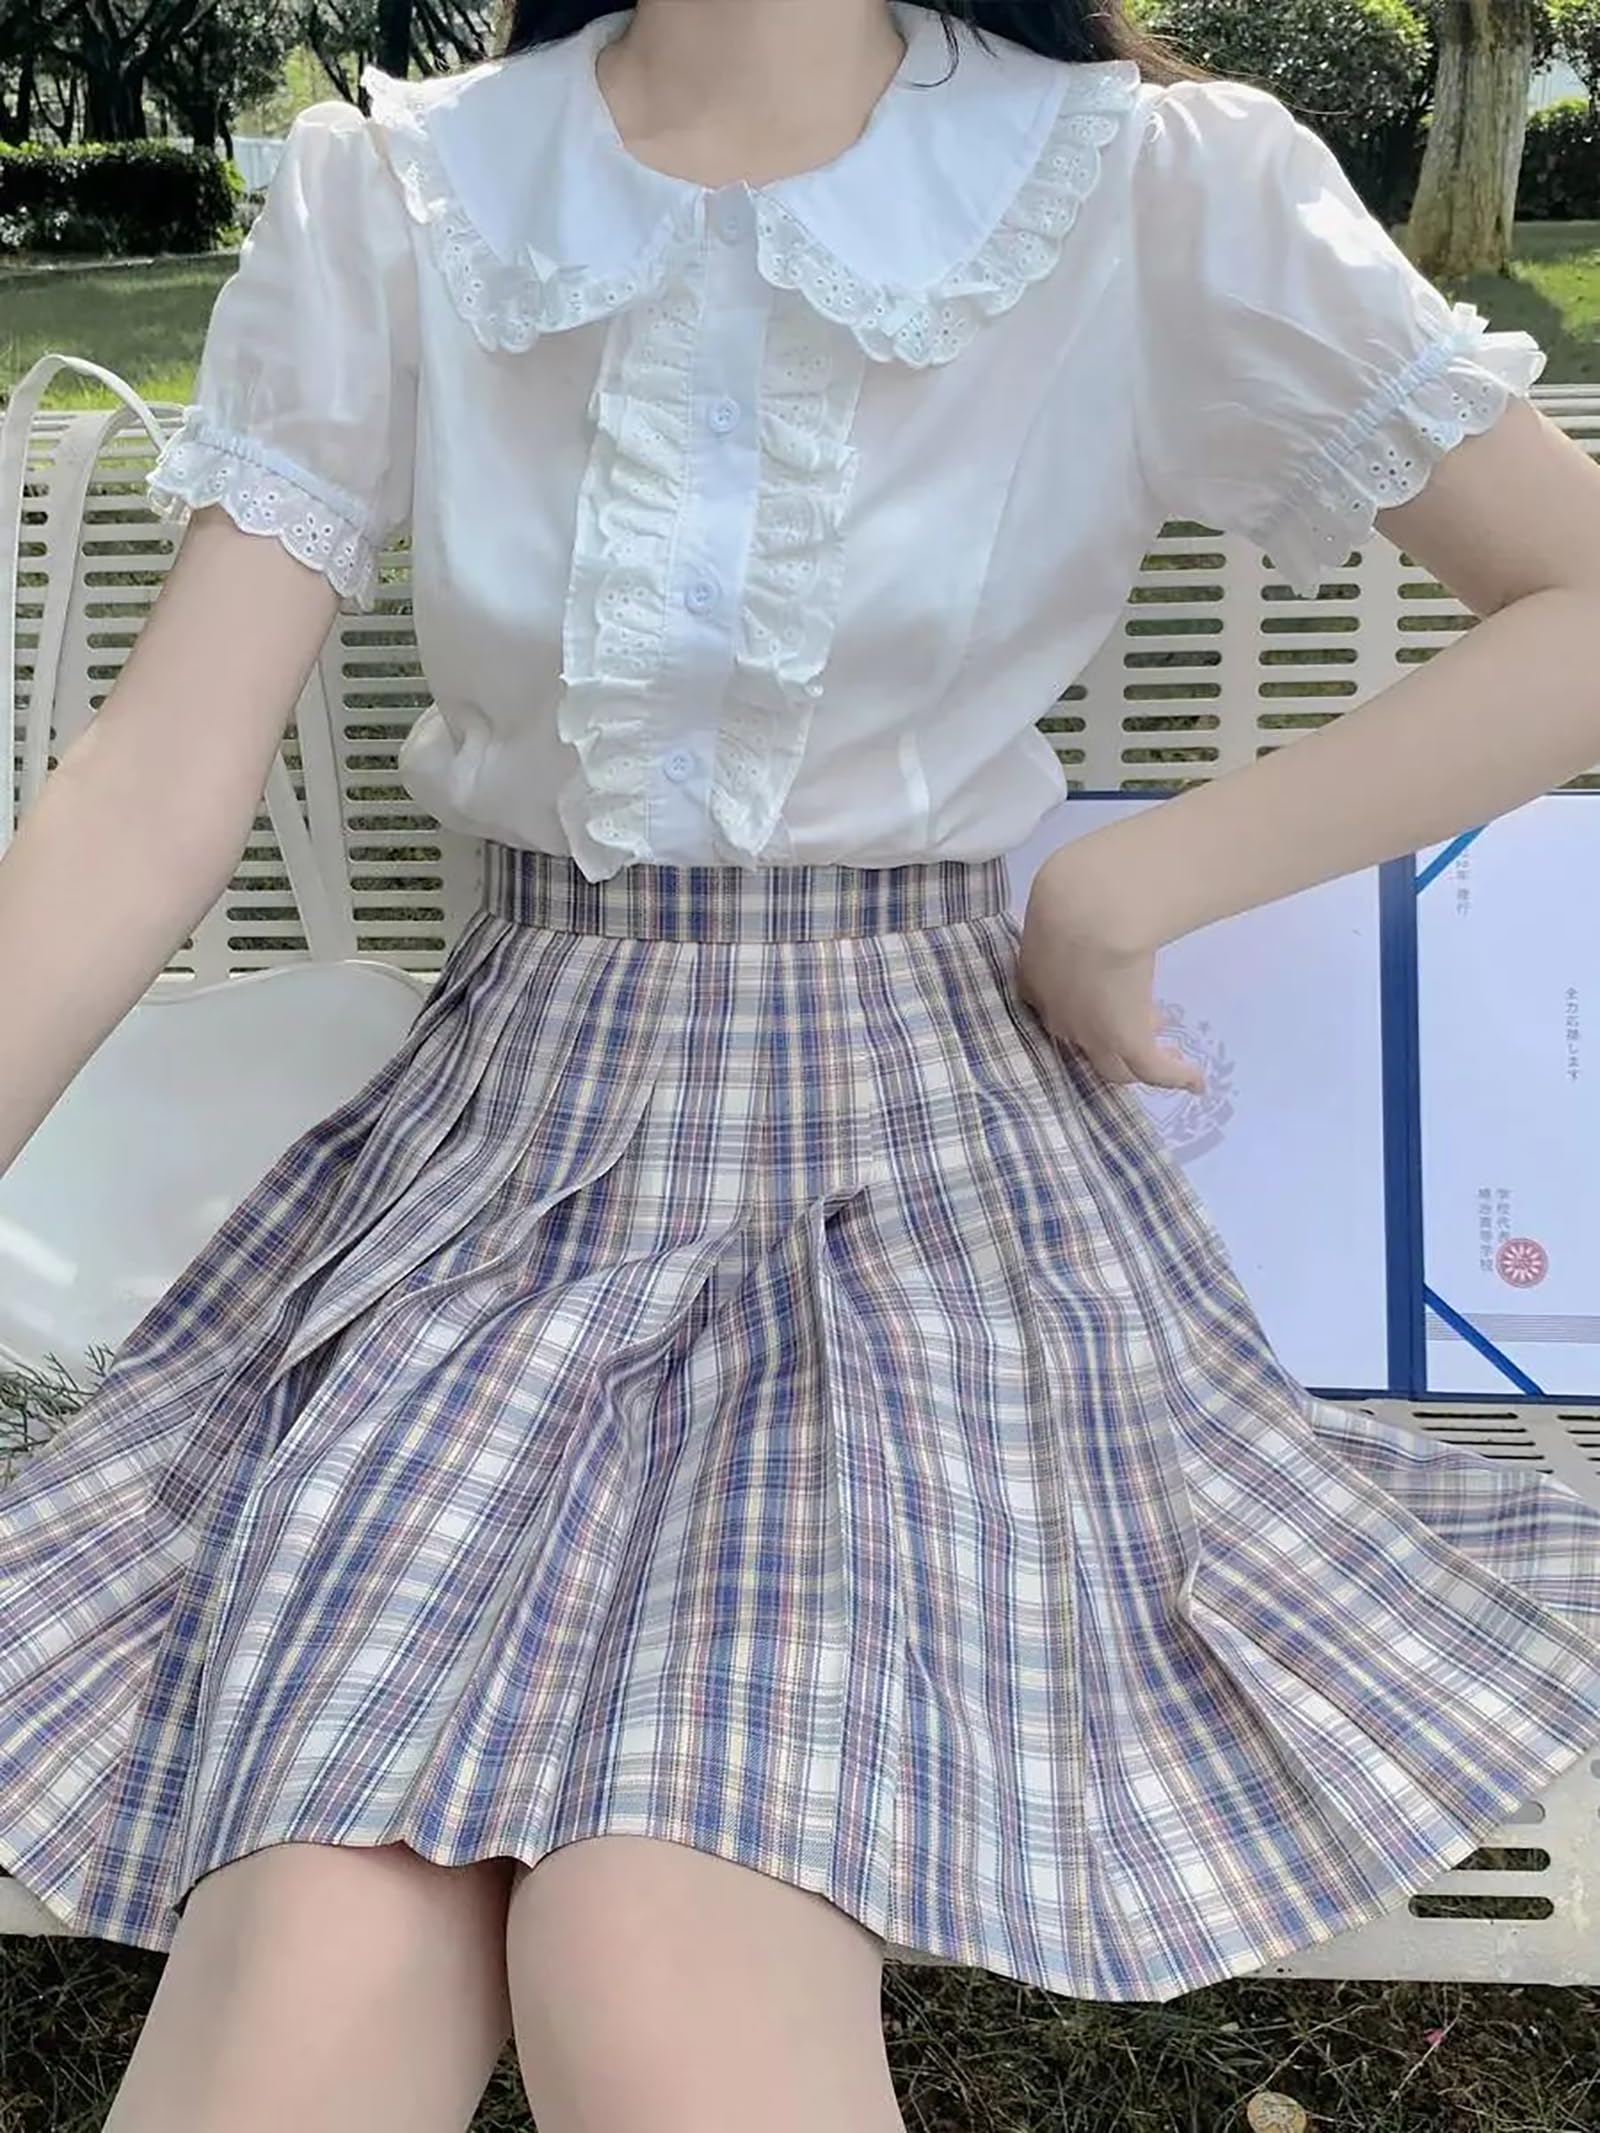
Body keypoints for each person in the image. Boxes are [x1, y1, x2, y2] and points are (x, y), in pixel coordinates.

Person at [1, 1, 1598, 2127]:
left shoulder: (1147, 185)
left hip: (918, 1197)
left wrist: (1135, 881)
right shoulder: (399, 189)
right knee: (312, 1936)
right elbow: (153, 780)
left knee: (657, 1952)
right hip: (499, 1186)